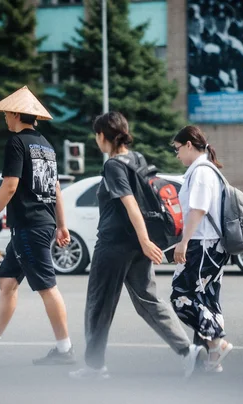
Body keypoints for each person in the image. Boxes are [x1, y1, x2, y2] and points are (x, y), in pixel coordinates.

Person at [69, 112, 202, 381]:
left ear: (103, 136)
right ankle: (188, 352)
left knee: (99, 304)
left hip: (115, 244)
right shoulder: (137, 158)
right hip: (137, 245)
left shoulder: (113, 165)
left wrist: (144, 241)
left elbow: (130, 203)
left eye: (97, 135)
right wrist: (145, 243)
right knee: (148, 300)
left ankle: (95, 368)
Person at [0, 86, 75, 365]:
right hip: (39, 224)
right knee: (7, 283)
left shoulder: (16, 143)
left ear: (15, 113)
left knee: (47, 287)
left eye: (5, 113)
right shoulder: (46, 146)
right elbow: (56, 188)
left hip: (29, 225)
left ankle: (65, 351)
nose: (4, 118)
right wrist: (61, 224)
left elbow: (10, 185)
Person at [170, 125, 233, 373]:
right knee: (207, 302)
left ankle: (217, 343)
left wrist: (183, 242)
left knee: (180, 297)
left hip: (202, 245)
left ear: (188, 145)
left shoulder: (201, 172)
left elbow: (198, 210)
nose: (177, 155)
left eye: (177, 149)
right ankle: (212, 358)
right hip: (211, 245)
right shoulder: (206, 170)